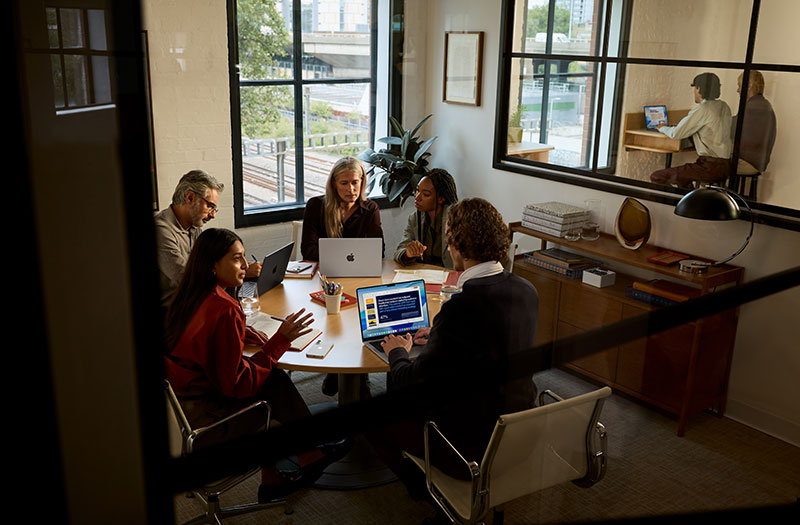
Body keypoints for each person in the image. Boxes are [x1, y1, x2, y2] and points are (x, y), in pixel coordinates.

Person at [374, 198, 539, 498]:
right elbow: (488, 344)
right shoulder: (527, 291)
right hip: (520, 436)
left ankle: (432, 495)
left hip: (468, 448)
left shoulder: (460, 308)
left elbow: (410, 383)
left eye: (450, 240)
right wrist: (439, 334)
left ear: (457, 245)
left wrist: (397, 351)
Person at [163, 228, 342, 501]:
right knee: (274, 381)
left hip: (184, 416)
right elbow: (238, 385)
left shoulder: (189, 297)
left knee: (269, 375)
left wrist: (241, 331)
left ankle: (276, 477)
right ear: (212, 265)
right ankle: (310, 455)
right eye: (237, 259)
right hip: (210, 425)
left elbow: (202, 340)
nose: (246, 266)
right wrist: (279, 341)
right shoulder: (225, 310)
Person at [154, 170, 261, 306]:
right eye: (210, 206)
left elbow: (207, 266)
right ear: (190, 197)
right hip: (174, 314)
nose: (213, 215)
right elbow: (187, 280)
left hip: (197, 303)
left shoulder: (194, 226)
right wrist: (241, 271)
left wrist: (238, 268)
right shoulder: (160, 230)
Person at [650, 72, 732, 188]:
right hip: (726, 166)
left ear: (698, 88)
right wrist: (682, 127)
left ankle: (675, 203)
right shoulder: (724, 106)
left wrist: (661, 128)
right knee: (682, 178)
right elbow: (709, 128)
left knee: (657, 176)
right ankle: (688, 200)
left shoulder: (703, 109)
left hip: (708, 167)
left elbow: (676, 134)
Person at [300, 156, 384, 261]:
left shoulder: (370, 208)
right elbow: (308, 250)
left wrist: (336, 256)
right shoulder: (315, 206)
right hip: (324, 270)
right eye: (344, 183)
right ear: (334, 184)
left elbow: (378, 251)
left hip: (358, 269)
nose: (350, 189)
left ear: (362, 182)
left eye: (354, 182)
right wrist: (344, 258)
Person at [393, 169, 458, 269]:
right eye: (418, 190)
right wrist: (408, 253)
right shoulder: (415, 218)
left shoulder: (456, 220)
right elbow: (398, 252)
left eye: (426, 194)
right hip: (424, 275)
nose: (417, 197)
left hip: (449, 277)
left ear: (441, 199)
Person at [731, 70, 777, 175]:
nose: (738, 90)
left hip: (749, 162)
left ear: (749, 86)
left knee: (712, 163)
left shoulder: (753, 107)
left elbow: (733, 129)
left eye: (739, 86)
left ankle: (716, 191)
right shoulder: (764, 105)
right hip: (758, 162)